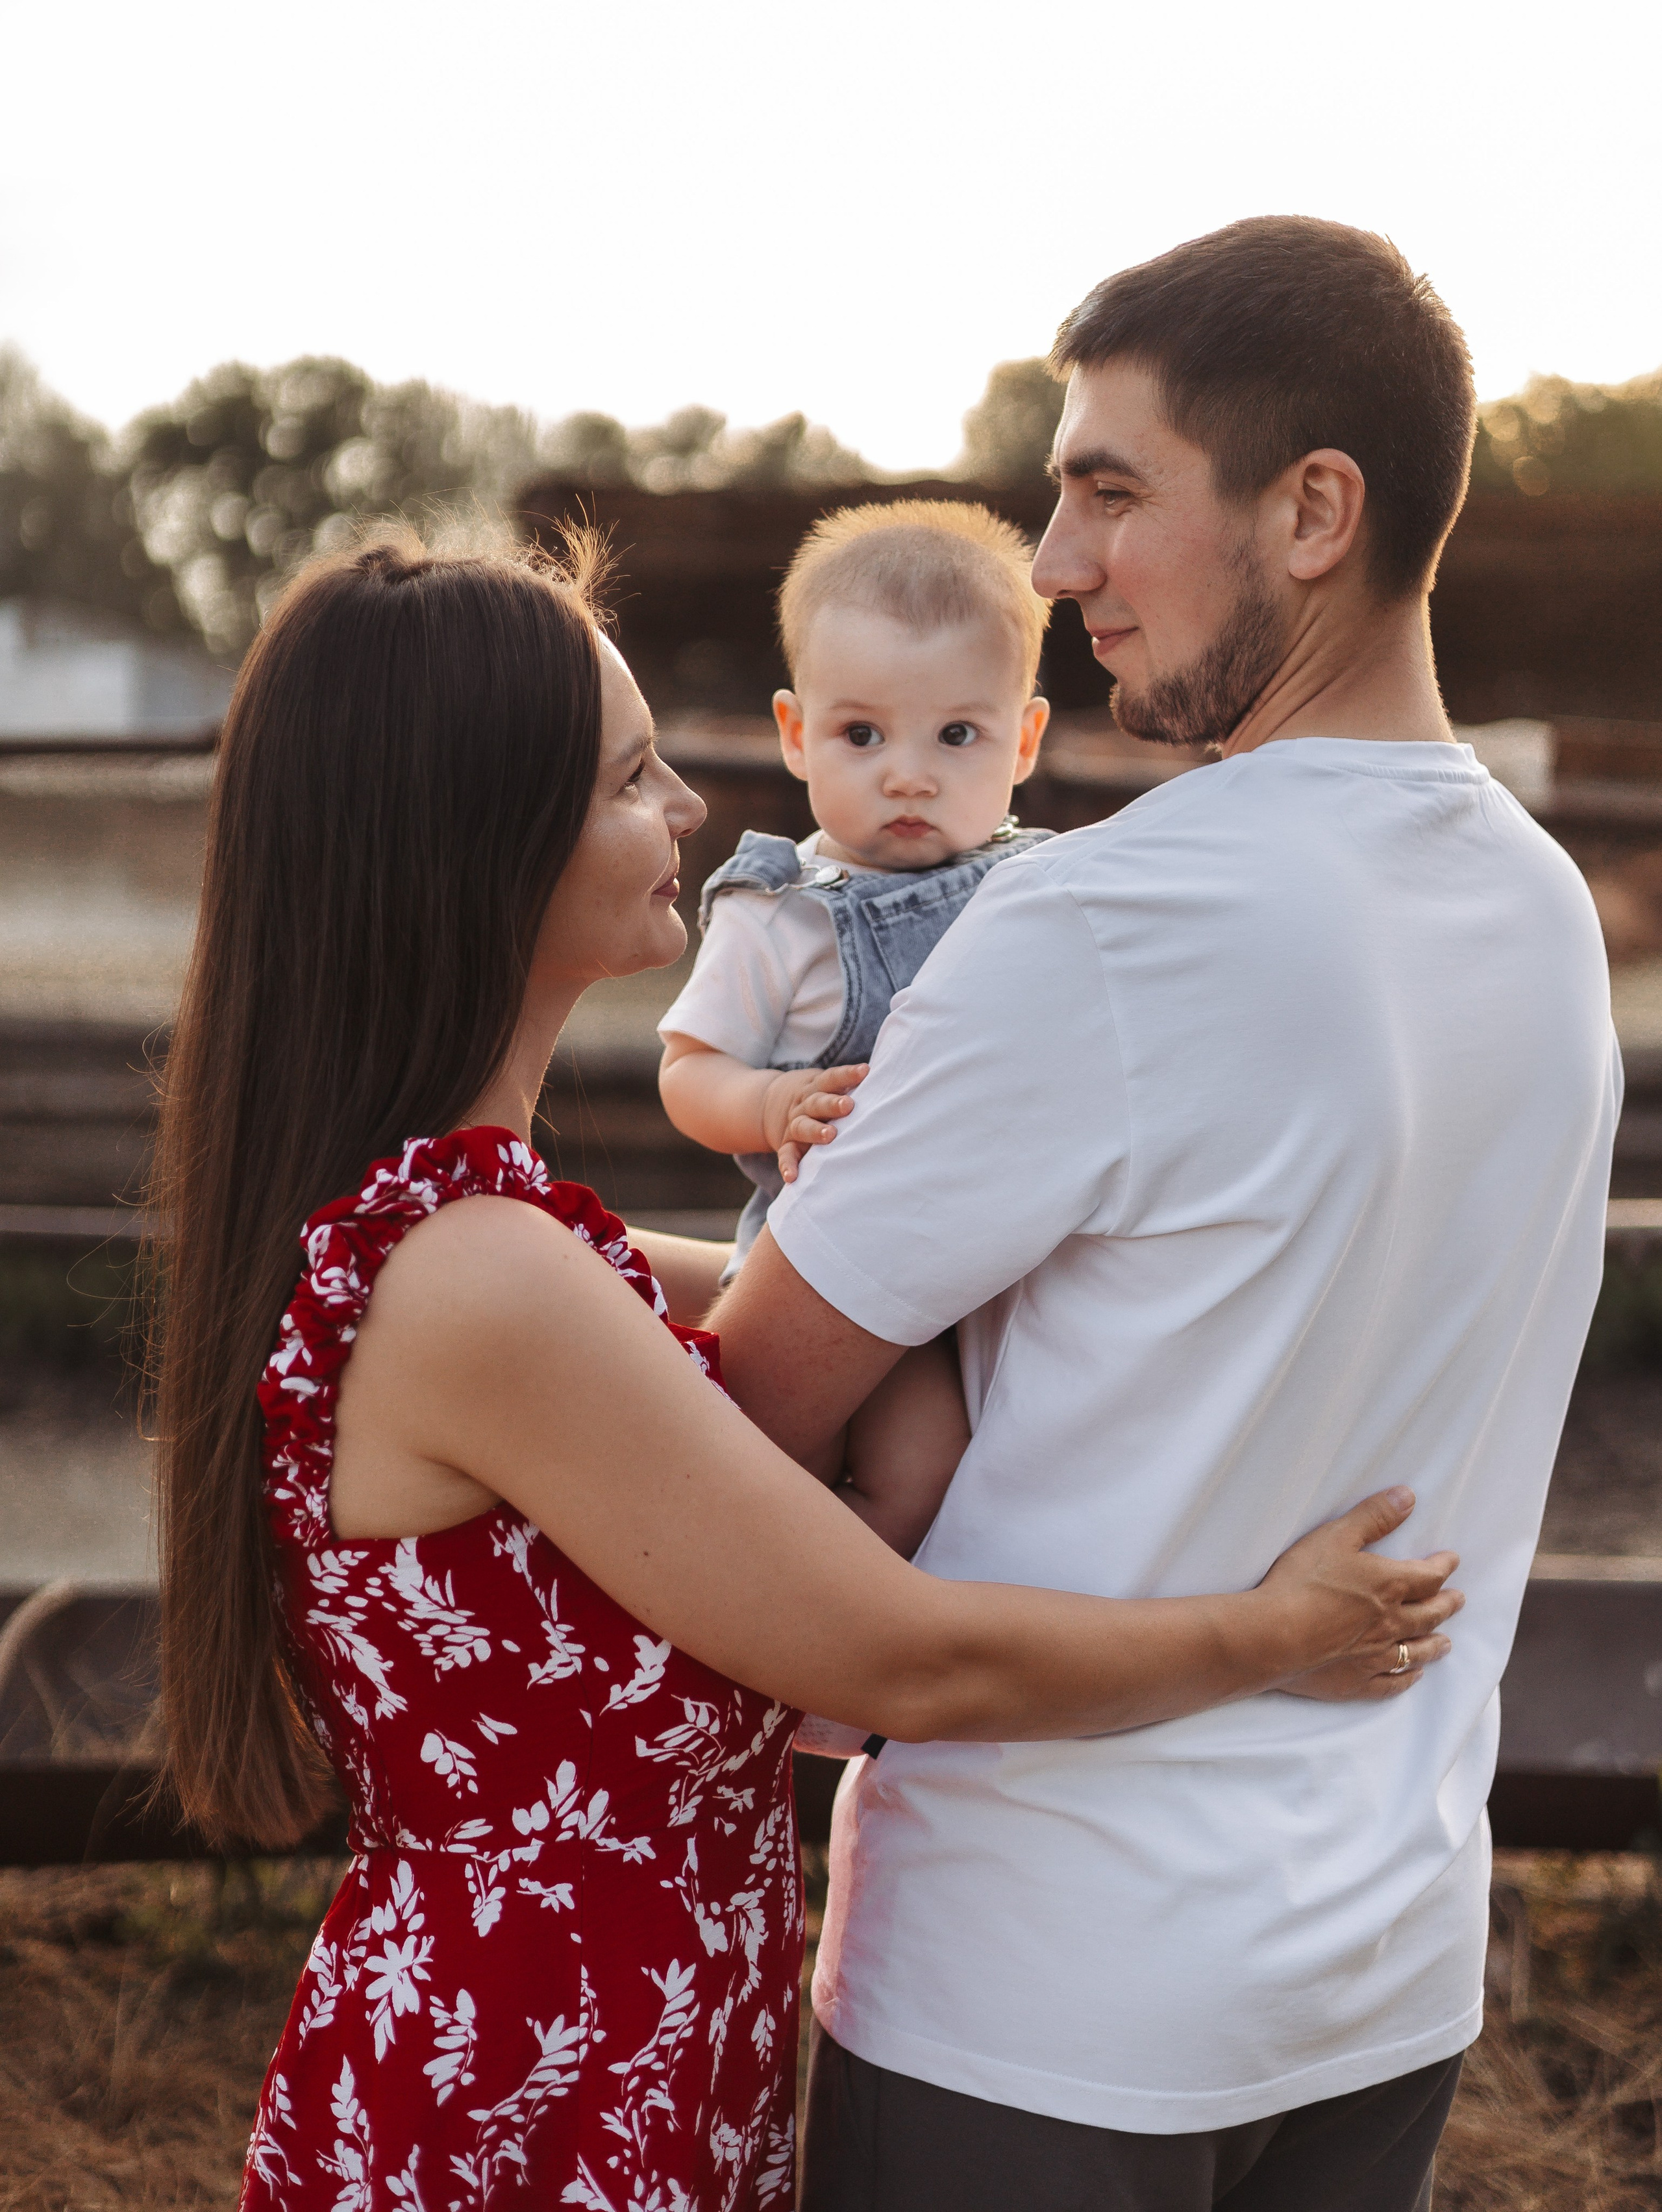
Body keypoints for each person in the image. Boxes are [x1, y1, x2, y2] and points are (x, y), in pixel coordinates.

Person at [146, 527, 1461, 2211]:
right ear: (479, 840)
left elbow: (828, 1286)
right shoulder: (480, 1282)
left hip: (617, 2041)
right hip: (526, 2090)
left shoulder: (502, 1236)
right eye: (631, 779)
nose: (688, 812)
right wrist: (1278, 1634)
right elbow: (899, 1661)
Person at [713, 216, 1620, 2212]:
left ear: (1315, 512)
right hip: (1379, 1985)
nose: (1049, 569)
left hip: (1043, 2002)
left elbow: (752, 1411)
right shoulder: (1547, 915)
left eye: (1108, 493)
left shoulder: (1102, 921)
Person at [658, 499, 1052, 1550]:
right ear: (797, 733)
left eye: (957, 734)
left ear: (1025, 739)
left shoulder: (1044, 889)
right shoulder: (780, 912)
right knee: (838, 1475)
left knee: (959, 1480)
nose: (908, 774)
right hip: (822, 1270)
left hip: (994, 1264)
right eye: (862, 734)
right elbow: (689, 1071)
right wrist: (770, 1101)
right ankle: (795, 1662)